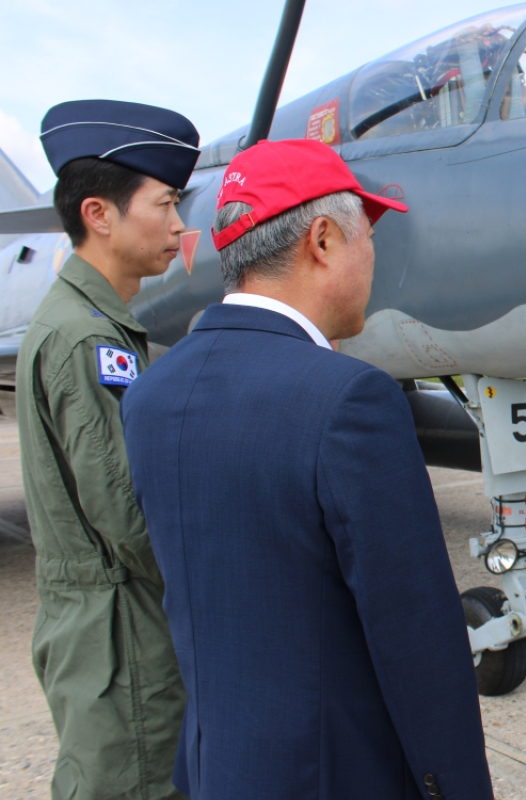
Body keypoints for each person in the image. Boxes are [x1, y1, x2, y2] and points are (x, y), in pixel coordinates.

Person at [120, 139, 493, 800]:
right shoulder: (349, 398)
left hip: (218, 770)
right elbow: (417, 639)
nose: (373, 257)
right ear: (321, 240)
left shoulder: (152, 392)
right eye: (367, 237)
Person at [17, 99, 200, 800]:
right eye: (165, 203)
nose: (179, 225)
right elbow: (128, 518)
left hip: (113, 631)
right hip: (122, 645)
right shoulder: (86, 340)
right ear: (100, 214)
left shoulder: (93, 324)